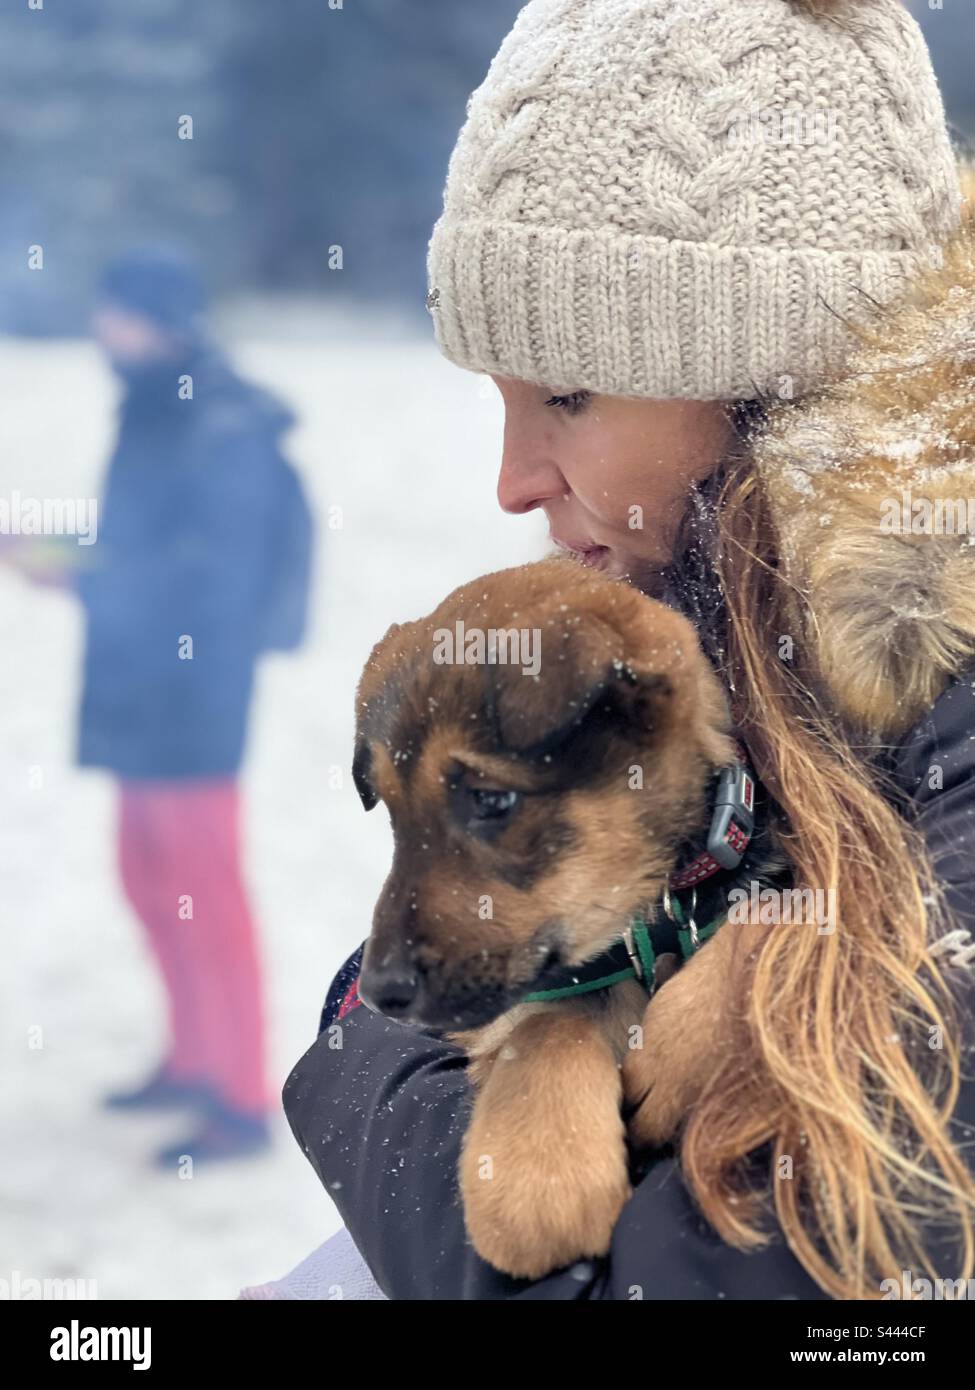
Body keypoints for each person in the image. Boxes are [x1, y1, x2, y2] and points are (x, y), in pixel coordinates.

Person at [281, 0, 975, 1297]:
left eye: (564, 396)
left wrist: (365, 1057)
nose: (509, 478)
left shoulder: (935, 744)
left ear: (769, 372)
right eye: (495, 400)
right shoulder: (714, 665)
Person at [80, 247, 312, 1164]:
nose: (107, 328)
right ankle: (190, 1059)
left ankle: (242, 1096)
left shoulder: (221, 424)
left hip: (193, 694)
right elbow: (142, 542)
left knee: (202, 896)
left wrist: (100, 574)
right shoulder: (150, 402)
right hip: (135, 685)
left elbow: (217, 576)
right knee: (145, 879)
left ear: (168, 320)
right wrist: (76, 563)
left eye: (122, 312)